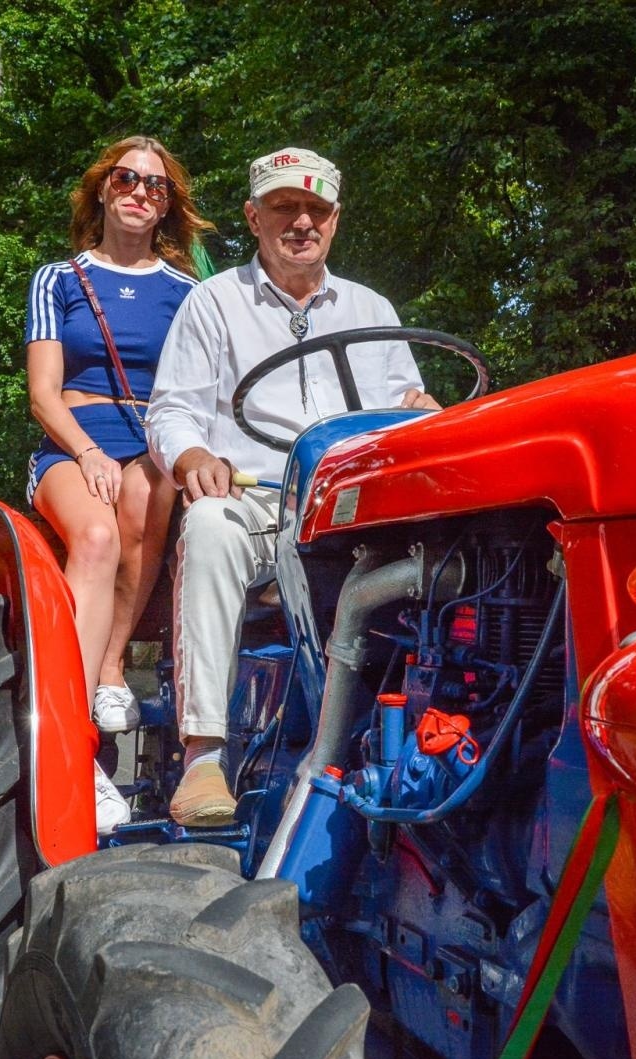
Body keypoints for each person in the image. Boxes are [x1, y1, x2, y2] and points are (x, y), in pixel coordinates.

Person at [147, 147, 439, 826]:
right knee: (212, 524)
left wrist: (422, 409)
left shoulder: (371, 307)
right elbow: (172, 410)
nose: (301, 221)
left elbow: (405, 401)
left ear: (335, 220)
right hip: (257, 492)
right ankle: (203, 756)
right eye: (284, 207)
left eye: (316, 209)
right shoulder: (213, 303)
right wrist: (192, 458)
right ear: (254, 217)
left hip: (359, 506)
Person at [24, 135, 211, 831]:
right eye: (127, 179)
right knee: (98, 533)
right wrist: (86, 450)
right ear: (103, 189)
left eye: (156, 186)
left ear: (169, 205)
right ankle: (82, 737)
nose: (141, 192)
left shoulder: (189, 292)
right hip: (72, 443)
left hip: (153, 448)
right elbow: (43, 393)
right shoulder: (60, 279)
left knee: (149, 488)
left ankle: (111, 672)